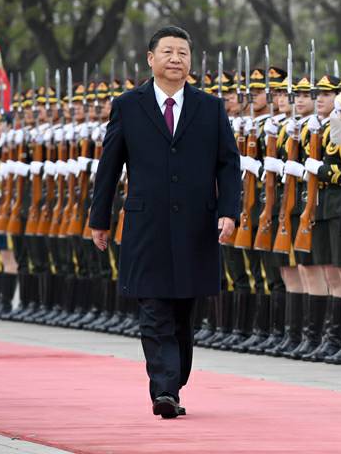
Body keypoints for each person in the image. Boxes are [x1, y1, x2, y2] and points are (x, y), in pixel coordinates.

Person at [89, 25, 241, 419]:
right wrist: (99, 219)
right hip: (147, 225)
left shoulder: (210, 107)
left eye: (183, 53)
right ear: (150, 59)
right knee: (153, 306)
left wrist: (229, 211)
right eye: (168, 52)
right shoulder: (128, 105)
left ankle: (174, 377)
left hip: (196, 223)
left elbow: (228, 163)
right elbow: (109, 166)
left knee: (183, 313)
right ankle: (164, 388)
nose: (176, 59)